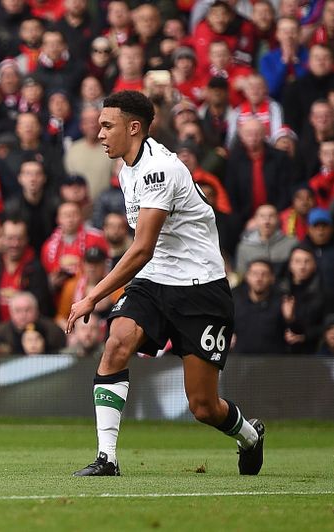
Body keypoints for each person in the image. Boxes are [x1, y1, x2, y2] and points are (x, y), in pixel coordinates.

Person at [65, 91, 265, 477]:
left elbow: (141, 249)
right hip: (155, 280)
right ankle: (107, 458)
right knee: (117, 343)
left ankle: (249, 435)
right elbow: (147, 257)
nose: (100, 133)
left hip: (200, 288)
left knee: (204, 406)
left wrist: (91, 296)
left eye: (108, 125)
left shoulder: (159, 170)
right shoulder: (127, 171)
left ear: (134, 127)